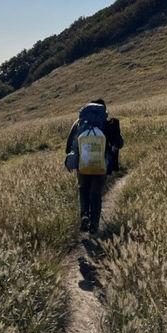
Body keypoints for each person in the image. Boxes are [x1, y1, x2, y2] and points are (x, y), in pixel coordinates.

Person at [65, 99, 123, 235]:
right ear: (104, 111)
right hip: (101, 165)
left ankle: (84, 215)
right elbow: (119, 143)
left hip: (82, 164)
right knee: (96, 194)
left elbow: (69, 145)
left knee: (83, 189)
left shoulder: (80, 123)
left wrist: (73, 157)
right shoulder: (107, 124)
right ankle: (94, 225)